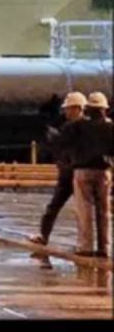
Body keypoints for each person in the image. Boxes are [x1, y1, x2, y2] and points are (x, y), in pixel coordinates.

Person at [53, 91, 112, 257]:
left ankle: (85, 247)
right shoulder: (110, 126)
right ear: (104, 109)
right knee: (104, 211)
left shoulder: (79, 126)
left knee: (84, 209)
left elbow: (63, 142)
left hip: (83, 171)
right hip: (103, 171)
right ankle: (104, 247)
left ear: (88, 108)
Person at [31, 92, 86, 245]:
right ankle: (83, 241)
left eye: (68, 108)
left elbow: (66, 148)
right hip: (72, 172)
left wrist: (55, 139)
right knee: (69, 208)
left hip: (73, 173)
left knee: (67, 208)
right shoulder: (74, 126)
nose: (66, 112)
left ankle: (45, 237)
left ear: (77, 108)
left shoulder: (75, 128)